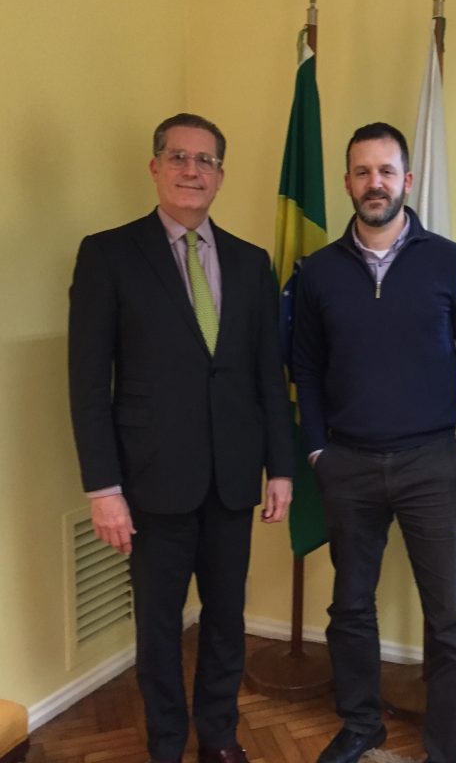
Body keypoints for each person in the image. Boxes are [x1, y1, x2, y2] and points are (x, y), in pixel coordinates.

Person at [68, 113, 294, 763]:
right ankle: (166, 744)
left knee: (225, 621)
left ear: (221, 175)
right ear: (155, 167)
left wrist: (280, 468)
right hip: (151, 481)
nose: (192, 170)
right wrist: (103, 488)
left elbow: (267, 375)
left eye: (206, 160)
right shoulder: (108, 254)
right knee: (159, 627)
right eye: (178, 157)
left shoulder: (251, 263)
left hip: (232, 479)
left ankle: (218, 737)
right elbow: (88, 382)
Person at [292, 122, 456, 763]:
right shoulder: (318, 272)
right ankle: (361, 725)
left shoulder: (451, 262)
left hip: (432, 464)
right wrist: (318, 450)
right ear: (347, 182)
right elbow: (305, 369)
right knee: (350, 607)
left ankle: (446, 749)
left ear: (407, 180)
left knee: (448, 619)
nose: (374, 183)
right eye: (362, 172)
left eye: (386, 171)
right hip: (348, 463)